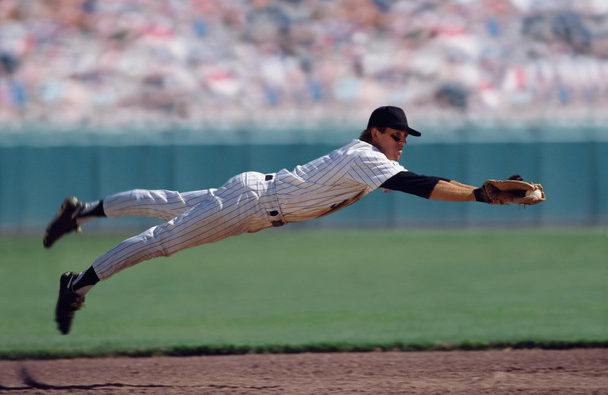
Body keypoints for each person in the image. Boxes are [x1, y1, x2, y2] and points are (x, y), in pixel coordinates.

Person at [44, 106, 507, 335]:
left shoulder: (369, 162)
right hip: (252, 205)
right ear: (374, 132)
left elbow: (405, 180)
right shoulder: (367, 155)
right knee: (162, 239)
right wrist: (480, 196)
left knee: (168, 202)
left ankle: (80, 211)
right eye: (395, 135)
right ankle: (77, 286)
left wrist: (481, 192)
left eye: (405, 137)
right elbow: (419, 184)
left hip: (254, 191)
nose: (401, 142)